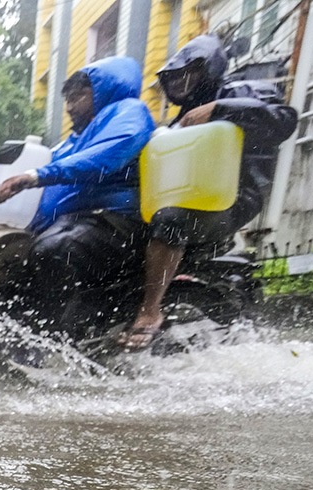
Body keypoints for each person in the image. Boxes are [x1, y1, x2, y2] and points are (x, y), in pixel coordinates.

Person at [119, 35, 298, 349]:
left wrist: (218, 109)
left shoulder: (241, 91)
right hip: (185, 196)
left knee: (171, 218)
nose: (178, 82)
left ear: (209, 68)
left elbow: (285, 120)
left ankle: (149, 312)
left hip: (230, 199)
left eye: (187, 74)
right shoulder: (180, 117)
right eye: (172, 77)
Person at [0, 56, 155, 338]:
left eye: (78, 97)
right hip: (73, 222)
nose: (69, 107)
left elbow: (103, 159)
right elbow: (36, 190)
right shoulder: (72, 142)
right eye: (67, 99)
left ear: (104, 91)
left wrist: (35, 175)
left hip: (114, 221)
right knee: (9, 254)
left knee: (53, 250)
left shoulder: (128, 113)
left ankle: (52, 341)